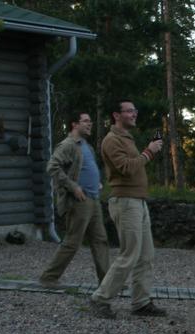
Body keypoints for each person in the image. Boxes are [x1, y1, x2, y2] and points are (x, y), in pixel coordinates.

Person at [89, 99, 165, 319]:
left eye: (135, 110)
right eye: (129, 111)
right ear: (116, 115)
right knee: (129, 254)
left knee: (146, 255)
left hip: (138, 201)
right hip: (125, 202)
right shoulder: (111, 140)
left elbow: (135, 164)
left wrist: (147, 153)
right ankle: (100, 299)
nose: (134, 114)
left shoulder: (126, 138)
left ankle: (141, 302)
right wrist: (149, 152)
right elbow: (126, 168)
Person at [40, 111, 109, 288]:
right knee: (72, 242)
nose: (90, 124)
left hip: (94, 199)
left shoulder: (87, 146)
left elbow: (85, 169)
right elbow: (52, 167)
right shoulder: (68, 145)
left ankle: (107, 281)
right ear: (74, 124)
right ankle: (48, 278)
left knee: (100, 240)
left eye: (90, 121)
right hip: (79, 202)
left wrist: (97, 182)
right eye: (85, 121)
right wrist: (73, 187)